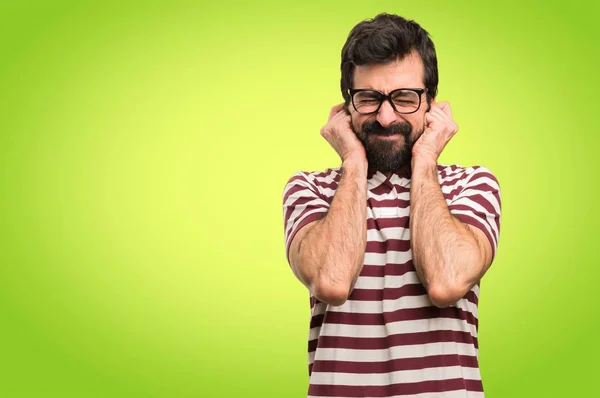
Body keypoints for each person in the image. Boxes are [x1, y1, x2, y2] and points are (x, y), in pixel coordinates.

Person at [281, 13, 502, 398]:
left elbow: (447, 282)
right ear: (347, 105)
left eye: (404, 98)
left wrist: (426, 157)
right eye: (368, 98)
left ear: (431, 103)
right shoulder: (310, 189)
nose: (386, 117)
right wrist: (353, 161)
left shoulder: (472, 184)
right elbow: (331, 282)